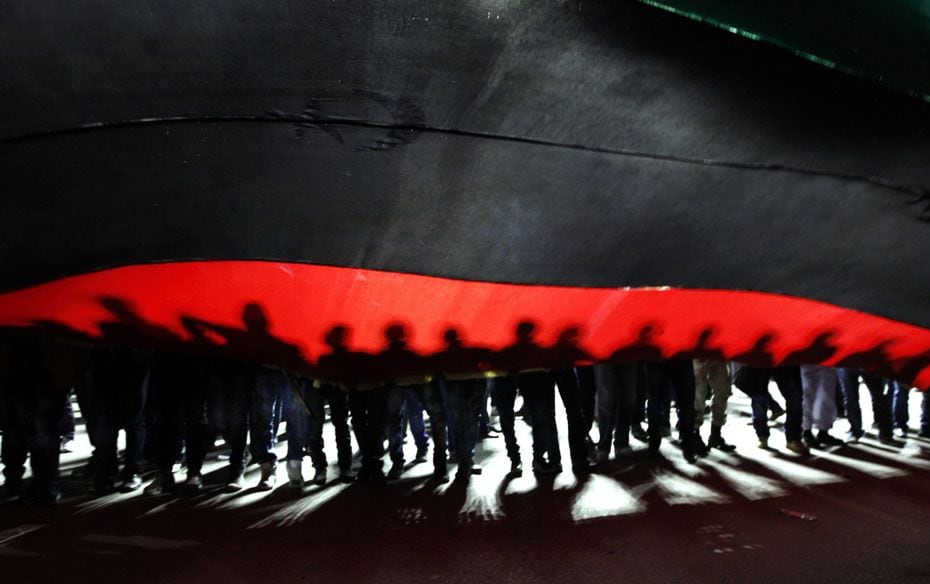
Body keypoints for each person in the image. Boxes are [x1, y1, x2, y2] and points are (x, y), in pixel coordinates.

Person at [732, 363, 809, 455]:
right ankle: (763, 435)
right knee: (759, 395)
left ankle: (792, 438)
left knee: (794, 396)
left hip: (783, 357)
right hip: (764, 356)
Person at [593, 362, 638, 462]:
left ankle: (621, 443)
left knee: (628, 398)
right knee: (606, 400)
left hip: (627, 353)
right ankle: (605, 446)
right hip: (605, 355)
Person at [693, 359, 736, 453]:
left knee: (722, 393)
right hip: (699, 354)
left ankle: (715, 434)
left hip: (719, 355)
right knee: (698, 395)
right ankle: (695, 434)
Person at [800, 365, 844, 448]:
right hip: (807, 359)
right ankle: (806, 431)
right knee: (807, 394)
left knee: (827, 394)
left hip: (826, 360)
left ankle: (823, 431)